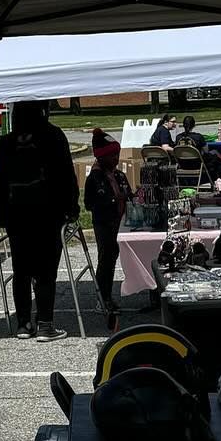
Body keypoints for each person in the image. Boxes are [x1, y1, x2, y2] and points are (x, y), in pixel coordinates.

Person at [0, 101, 79, 340]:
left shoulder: (8, 142)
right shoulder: (53, 135)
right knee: (45, 270)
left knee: (21, 269)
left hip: (16, 213)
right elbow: (66, 173)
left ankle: (23, 323)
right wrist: (72, 206)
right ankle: (45, 323)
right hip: (48, 211)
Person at [85, 129, 133, 325]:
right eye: (112, 155)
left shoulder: (119, 175)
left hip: (120, 222)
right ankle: (102, 296)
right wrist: (111, 200)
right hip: (104, 223)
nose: (116, 159)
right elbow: (89, 203)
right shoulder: (94, 178)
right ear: (102, 156)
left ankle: (108, 296)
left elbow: (128, 192)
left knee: (112, 259)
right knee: (105, 259)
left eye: (117, 155)